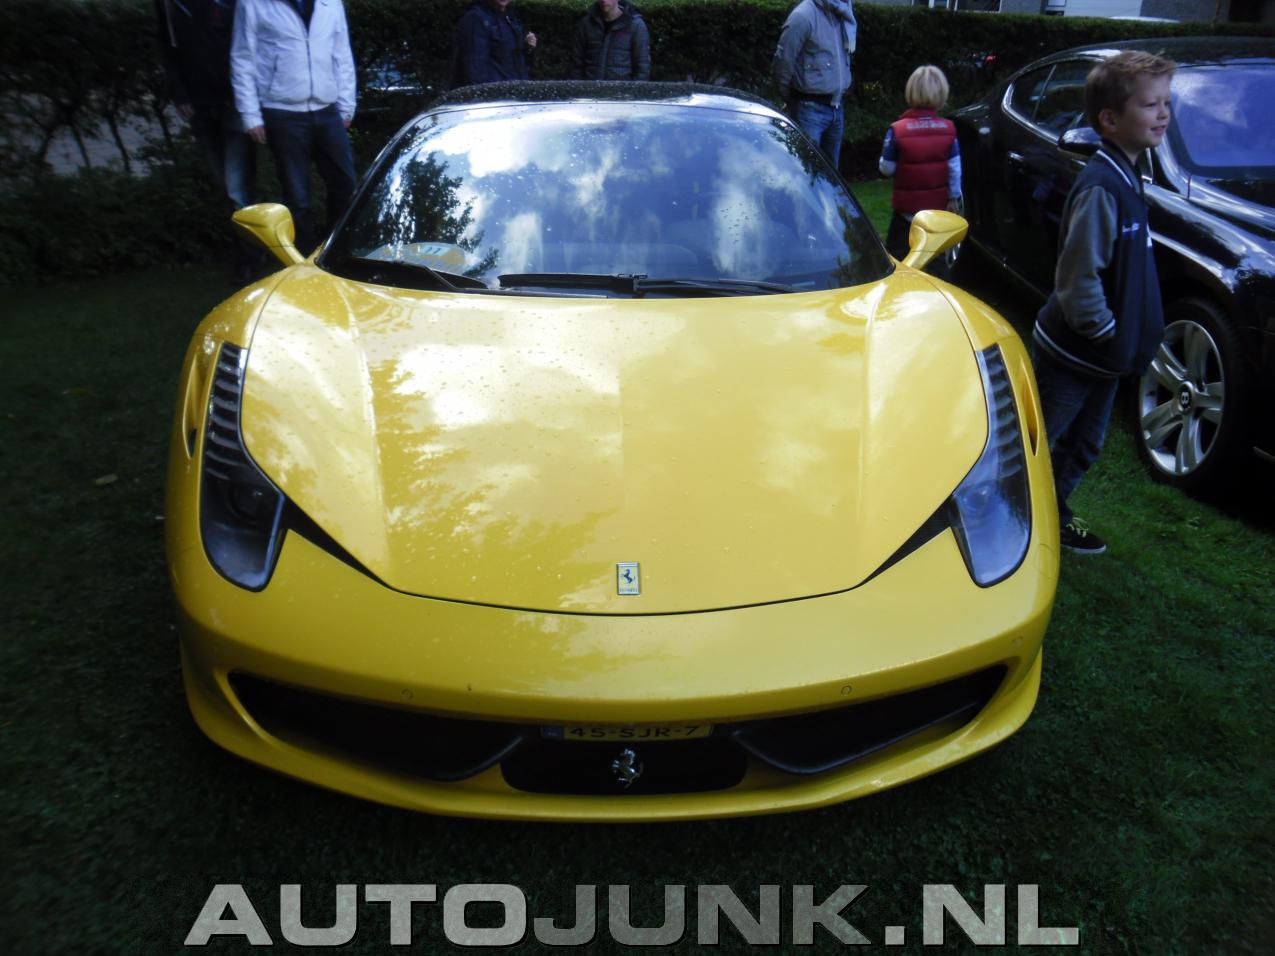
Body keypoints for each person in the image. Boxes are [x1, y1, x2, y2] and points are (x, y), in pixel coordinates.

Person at [1032, 50, 1175, 555]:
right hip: (1076, 353)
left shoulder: (1130, 174)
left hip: (1105, 358)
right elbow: (1078, 278)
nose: (1163, 113)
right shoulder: (1101, 186)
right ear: (1110, 120)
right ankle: (1007, 519)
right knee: (1040, 441)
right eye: (1150, 105)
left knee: (1085, 444)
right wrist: (1107, 333)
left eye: (1166, 103)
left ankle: (1051, 515)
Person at [230, 0, 358, 257]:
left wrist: (346, 104)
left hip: (327, 110)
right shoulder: (254, 4)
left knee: (345, 185)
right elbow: (243, 58)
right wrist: (250, 114)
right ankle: (304, 258)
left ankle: (338, 251)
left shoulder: (330, 3)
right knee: (298, 197)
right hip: (282, 112)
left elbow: (341, 54)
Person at [155, 0, 258, 279]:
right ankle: (250, 248)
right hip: (200, 106)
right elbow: (168, 48)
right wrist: (180, 94)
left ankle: (249, 258)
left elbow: (248, 41)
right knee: (227, 186)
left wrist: (248, 98)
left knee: (237, 187)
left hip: (234, 101)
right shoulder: (169, 4)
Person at [878, 65, 961, 267]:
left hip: (905, 213)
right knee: (935, 259)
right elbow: (954, 170)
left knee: (897, 260)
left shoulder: (897, 130)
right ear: (941, 93)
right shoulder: (948, 129)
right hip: (935, 213)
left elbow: (886, 168)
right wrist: (953, 197)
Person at [770, 0, 856, 168]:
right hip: (808, 109)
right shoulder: (803, 16)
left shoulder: (843, 14)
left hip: (837, 108)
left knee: (830, 176)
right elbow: (783, 61)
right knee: (805, 172)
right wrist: (791, 99)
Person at [453, 0, 538, 88]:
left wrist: (528, 48)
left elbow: (520, 63)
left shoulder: (511, 18)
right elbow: (475, 68)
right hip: (495, 92)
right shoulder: (476, 18)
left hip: (514, 90)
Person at [570, 0, 650, 81]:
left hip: (622, 88)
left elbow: (642, 67)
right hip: (589, 87)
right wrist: (578, 87)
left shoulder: (635, 25)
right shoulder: (586, 25)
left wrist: (634, 88)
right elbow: (576, 63)